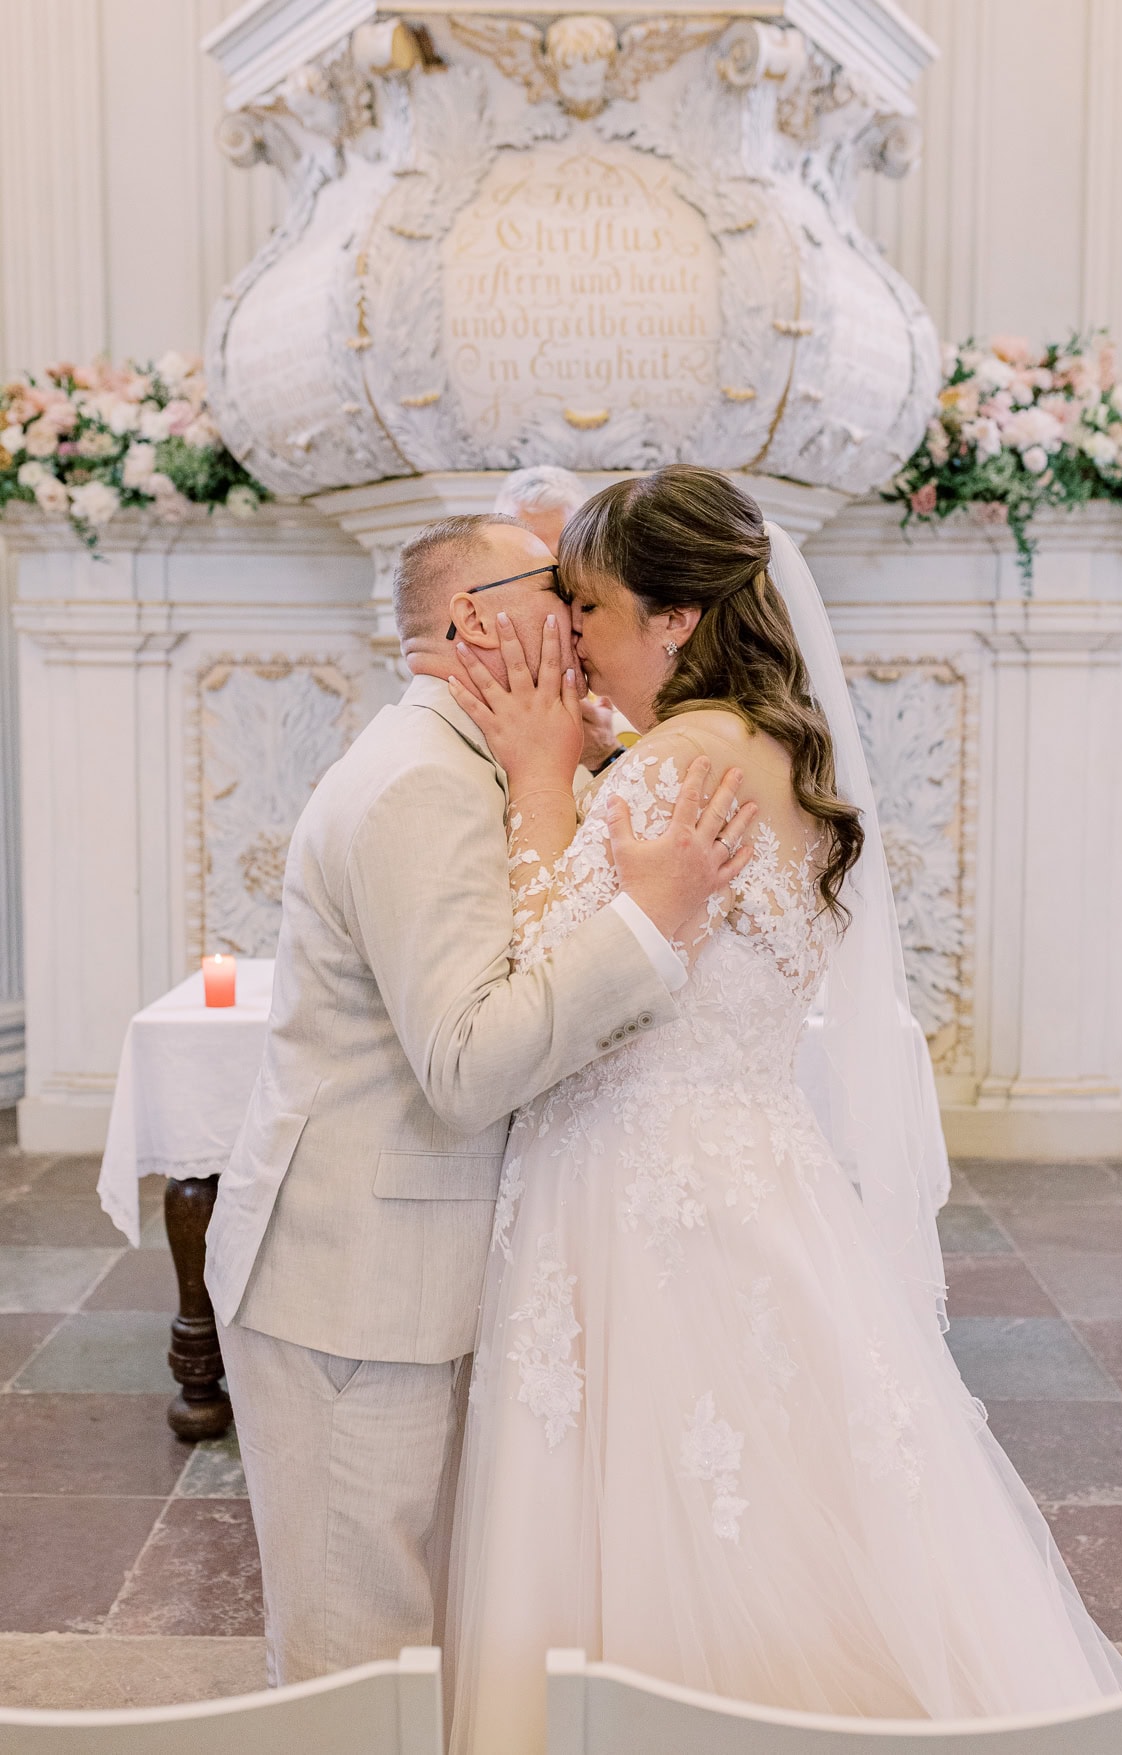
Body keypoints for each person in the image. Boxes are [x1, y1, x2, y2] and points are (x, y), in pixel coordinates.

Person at [444, 467, 1122, 1754]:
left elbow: (549, 989)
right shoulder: (773, 747)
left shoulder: (673, 767)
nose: (573, 633)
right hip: (758, 1167)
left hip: (632, 1186)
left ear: (676, 622)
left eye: (590, 607)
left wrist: (541, 779)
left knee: (656, 1528)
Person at [204, 510, 755, 1685]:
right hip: (355, 1297)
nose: (581, 609)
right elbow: (466, 1063)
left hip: (416, 1276)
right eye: (557, 584)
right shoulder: (418, 784)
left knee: (428, 1652)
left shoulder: (479, 761)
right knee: (359, 1663)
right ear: (472, 619)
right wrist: (646, 927)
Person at [494, 465, 624, 775]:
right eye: (523, 561)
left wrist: (605, 755)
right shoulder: (474, 655)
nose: (543, 580)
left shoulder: (626, 644)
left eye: (556, 563)